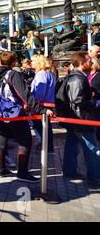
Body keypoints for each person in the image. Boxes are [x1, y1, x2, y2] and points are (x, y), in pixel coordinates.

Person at [0, 51, 53, 182]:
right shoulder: (13, 74)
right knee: (25, 141)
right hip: (14, 113)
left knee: (0, 141)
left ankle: (1, 169)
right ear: (12, 63)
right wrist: (41, 110)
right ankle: (22, 173)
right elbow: (24, 94)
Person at [63, 52, 100, 186]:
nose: (91, 62)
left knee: (72, 146)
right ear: (81, 62)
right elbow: (76, 99)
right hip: (81, 118)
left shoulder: (77, 77)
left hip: (77, 118)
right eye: (89, 60)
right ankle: (94, 178)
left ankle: (69, 171)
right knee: (92, 149)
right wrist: (93, 102)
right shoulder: (77, 78)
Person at [30, 54, 56, 153]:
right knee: (45, 126)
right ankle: (48, 146)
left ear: (38, 62)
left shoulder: (41, 74)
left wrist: (33, 102)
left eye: (33, 61)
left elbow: (40, 91)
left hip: (41, 104)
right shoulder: (50, 73)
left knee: (39, 125)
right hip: (48, 103)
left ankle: (45, 145)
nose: (31, 63)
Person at [88, 58, 100, 141]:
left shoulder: (99, 74)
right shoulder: (87, 74)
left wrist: (96, 93)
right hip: (89, 100)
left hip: (98, 100)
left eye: (91, 63)